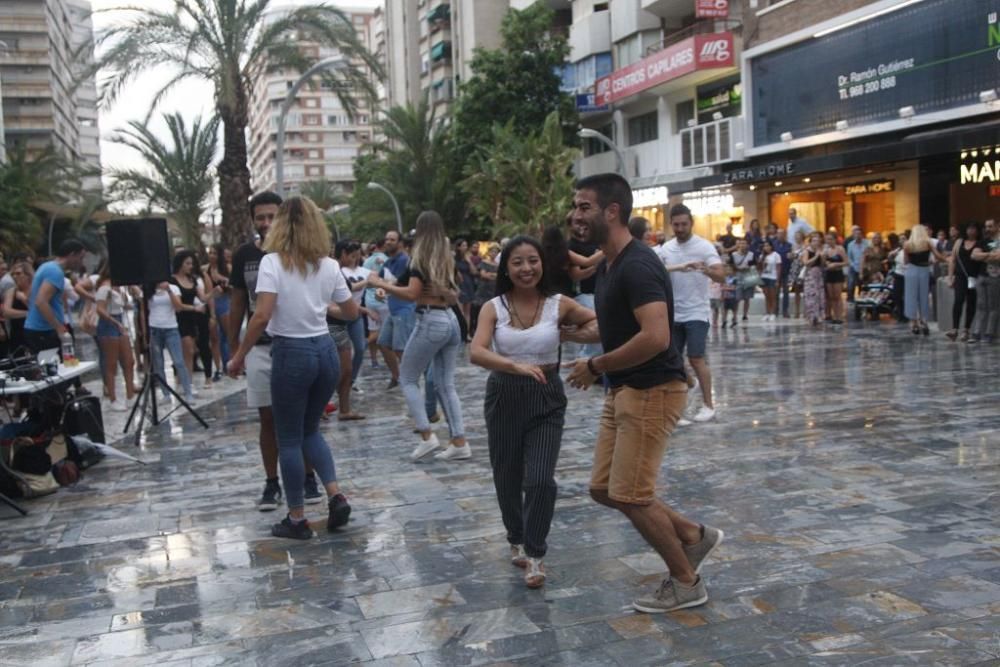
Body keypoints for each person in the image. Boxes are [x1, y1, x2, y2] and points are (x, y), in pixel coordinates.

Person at [566, 173, 723, 614]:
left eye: (583, 206)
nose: (574, 215)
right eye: (575, 206)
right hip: (625, 389)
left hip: (652, 390)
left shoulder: (636, 264)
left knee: (632, 494)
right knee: (603, 488)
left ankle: (686, 581)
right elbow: (623, 327)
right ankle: (693, 535)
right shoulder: (610, 262)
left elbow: (654, 337)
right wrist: (575, 337)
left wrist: (595, 365)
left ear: (611, 212)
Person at [469, 235, 598, 589]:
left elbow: (598, 324)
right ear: (506, 269)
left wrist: (572, 337)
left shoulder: (559, 303)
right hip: (504, 395)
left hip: (547, 396)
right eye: (518, 262)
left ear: (543, 264)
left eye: (533, 261)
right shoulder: (493, 307)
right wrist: (513, 366)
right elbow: (477, 352)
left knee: (540, 479)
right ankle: (516, 535)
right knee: (506, 473)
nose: (527, 268)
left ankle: (535, 552)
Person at [227, 196, 357, 540]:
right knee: (310, 430)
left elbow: (262, 314)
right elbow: (352, 312)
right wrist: (319, 306)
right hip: (325, 350)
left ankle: (297, 518)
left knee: (288, 438)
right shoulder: (328, 265)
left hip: (291, 352)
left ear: (282, 225)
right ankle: (335, 495)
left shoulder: (272, 262)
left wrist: (239, 354)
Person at [229, 191, 324, 511]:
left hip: (296, 345)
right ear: (253, 219)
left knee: (303, 420)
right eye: (260, 217)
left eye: (272, 216)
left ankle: (308, 478)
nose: (266, 223)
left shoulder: (300, 253)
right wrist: (235, 347)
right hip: (261, 346)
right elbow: (239, 302)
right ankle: (272, 483)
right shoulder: (245, 256)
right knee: (267, 418)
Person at [368, 211, 469, 462]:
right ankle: (459, 441)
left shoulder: (419, 259)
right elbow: (455, 293)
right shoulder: (446, 259)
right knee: (446, 384)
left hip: (430, 320)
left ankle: (427, 435)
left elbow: (412, 293)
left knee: (408, 377)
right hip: (450, 320)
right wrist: (388, 290)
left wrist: (378, 284)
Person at [657, 203, 723, 424]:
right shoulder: (666, 248)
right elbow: (657, 271)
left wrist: (704, 269)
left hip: (697, 312)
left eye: (684, 224)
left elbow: (721, 275)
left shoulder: (704, 246)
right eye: (676, 224)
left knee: (696, 358)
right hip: (674, 313)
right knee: (673, 362)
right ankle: (679, 409)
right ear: (671, 224)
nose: (680, 228)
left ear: (691, 223)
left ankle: (708, 405)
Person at [23, 239, 87, 355]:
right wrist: (58, 327)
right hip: (44, 331)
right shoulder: (55, 272)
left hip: (39, 329)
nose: (81, 263)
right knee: (54, 369)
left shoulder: (47, 266)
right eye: (81, 258)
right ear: (72, 255)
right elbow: (41, 301)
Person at [94, 265, 138, 411]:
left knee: (129, 361)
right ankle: (113, 398)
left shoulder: (118, 287)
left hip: (119, 321)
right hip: (109, 324)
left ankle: (130, 395)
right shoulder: (104, 288)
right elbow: (100, 309)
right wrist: (114, 322)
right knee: (111, 363)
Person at [171, 251, 216, 388]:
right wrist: (194, 308)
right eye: (187, 263)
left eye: (191, 263)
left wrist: (214, 291)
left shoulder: (192, 280)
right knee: (187, 349)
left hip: (191, 319)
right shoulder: (172, 280)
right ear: (180, 264)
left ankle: (188, 382)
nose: (191, 266)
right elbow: (177, 305)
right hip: (179, 318)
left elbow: (202, 298)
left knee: (190, 352)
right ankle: (183, 380)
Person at [147, 280, 195, 402]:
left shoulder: (173, 288)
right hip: (154, 328)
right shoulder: (149, 289)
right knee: (159, 364)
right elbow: (144, 310)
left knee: (179, 361)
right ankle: (166, 394)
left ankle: (188, 391)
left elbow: (178, 307)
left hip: (171, 328)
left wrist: (168, 290)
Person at [376, 230, 412, 389]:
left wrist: (383, 287)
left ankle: (410, 379)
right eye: (387, 239)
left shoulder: (404, 260)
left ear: (400, 243)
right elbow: (380, 280)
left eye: (392, 239)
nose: (388, 242)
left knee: (400, 348)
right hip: (393, 308)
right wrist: (380, 291)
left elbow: (397, 283)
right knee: (383, 343)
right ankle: (397, 376)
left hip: (405, 308)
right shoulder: (388, 262)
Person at [947, 221, 987, 342]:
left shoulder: (981, 243)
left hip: (974, 276)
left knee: (971, 302)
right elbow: (953, 260)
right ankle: (954, 329)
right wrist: (950, 276)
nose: (971, 231)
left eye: (974, 228)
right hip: (960, 276)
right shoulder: (959, 242)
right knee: (958, 300)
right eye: (969, 228)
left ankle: (966, 329)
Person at [568, 217, 602, 360]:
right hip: (583, 294)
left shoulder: (596, 241)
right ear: (569, 226)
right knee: (596, 329)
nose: (582, 226)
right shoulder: (570, 246)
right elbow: (576, 275)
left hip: (600, 292)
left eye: (584, 222)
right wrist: (596, 265)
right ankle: (586, 362)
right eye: (577, 223)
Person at [903, 225, 946, 336]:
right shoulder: (927, 243)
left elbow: (906, 261)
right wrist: (947, 259)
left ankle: (914, 324)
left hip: (911, 271)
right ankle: (924, 322)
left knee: (911, 297)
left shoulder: (907, 244)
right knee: (924, 297)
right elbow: (938, 256)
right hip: (924, 270)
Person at [361, 239, 389, 368]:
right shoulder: (388, 259)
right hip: (382, 298)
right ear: (383, 246)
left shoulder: (366, 261)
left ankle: (374, 360)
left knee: (373, 330)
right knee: (386, 330)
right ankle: (389, 359)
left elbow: (363, 279)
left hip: (369, 299)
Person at [972, 219, 999, 344]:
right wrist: (990, 255)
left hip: (995, 276)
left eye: (990, 226)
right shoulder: (983, 241)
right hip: (981, 276)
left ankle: (989, 333)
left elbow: (998, 256)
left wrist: (983, 255)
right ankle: (977, 332)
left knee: (993, 306)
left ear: (997, 227)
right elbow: (974, 255)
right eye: (986, 226)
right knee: (981, 305)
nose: (987, 229)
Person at [2, 261, 34, 352]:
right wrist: (28, 313)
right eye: (13, 274)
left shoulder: (35, 290)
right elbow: (7, 312)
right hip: (17, 333)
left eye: (19, 274)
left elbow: (39, 311)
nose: (15, 277)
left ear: (28, 275)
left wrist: (24, 300)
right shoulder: (11, 291)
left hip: (33, 331)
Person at [454, 238, 478, 340]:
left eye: (466, 245)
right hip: (459, 284)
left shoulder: (468, 258)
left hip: (468, 284)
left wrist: (469, 262)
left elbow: (474, 272)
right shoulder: (454, 259)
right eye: (463, 245)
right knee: (460, 311)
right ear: (458, 247)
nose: (465, 247)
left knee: (468, 311)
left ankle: (466, 333)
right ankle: (459, 333)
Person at [802, 232, 826, 327]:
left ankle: (819, 315)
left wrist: (822, 257)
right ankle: (811, 316)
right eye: (814, 241)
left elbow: (822, 264)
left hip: (818, 275)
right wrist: (816, 256)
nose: (816, 243)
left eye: (818, 241)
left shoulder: (821, 251)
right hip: (810, 275)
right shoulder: (807, 251)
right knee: (811, 295)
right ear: (810, 242)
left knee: (819, 295)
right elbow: (806, 263)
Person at [729, 238, 756, 323]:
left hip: (748, 276)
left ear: (747, 245)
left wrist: (748, 268)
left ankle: (745, 315)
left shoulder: (751, 254)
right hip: (738, 276)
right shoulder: (733, 255)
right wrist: (738, 268)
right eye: (741, 243)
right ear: (738, 245)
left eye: (744, 243)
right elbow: (731, 266)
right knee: (737, 298)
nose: (743, 245)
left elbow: (753, 266)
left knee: (747, 298)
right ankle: (734, 315)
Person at [822, 232, 847, 324]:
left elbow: (846, 262)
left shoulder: (840, 249)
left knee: (837, 296)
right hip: (829, 274)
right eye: (827, 239)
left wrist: (836, 264)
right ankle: (833, 315)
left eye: (831, 239)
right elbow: (823, 263)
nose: (829, 241)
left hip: (837, 273)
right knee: (831, 296)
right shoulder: (826, 250)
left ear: (835, 239)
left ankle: (839, 316)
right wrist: (825, 260)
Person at [759, 240, 782, 321]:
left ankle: (773, 313)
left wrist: (777, 280)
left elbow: (778, 268)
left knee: (773, 296)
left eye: (768, 246)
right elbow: (760, 268)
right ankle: (767, 312)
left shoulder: (776, 255)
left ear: (771, 246)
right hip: (764, 277)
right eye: (765, 246)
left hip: (773, 277)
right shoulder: (762, 256)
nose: (766, 247)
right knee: (767, 296)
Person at [772, 228, 793, 318]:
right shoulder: (773, 245)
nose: (780, 235)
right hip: (776, 272)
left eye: (782, 234)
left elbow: (791, 257)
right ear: (776, 234)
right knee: (775, 292)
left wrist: (791, 256)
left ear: (785, 235)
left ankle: (785, 311)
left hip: (786, 271)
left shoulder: (789, 245)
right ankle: (775, 310)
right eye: (779, 234)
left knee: (786, 292)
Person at [845, 226, 869, 303]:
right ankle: (850, 300)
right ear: (853, 235)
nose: (858, 236)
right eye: (856, 234)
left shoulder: (867, 243)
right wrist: (853, 265)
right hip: (854, 266)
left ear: (862, 235)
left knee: (862, 285)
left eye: (859, 234)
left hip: (864, 267)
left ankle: (862, 300)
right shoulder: (850, 245)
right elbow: (849, 257)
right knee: (851, 284)